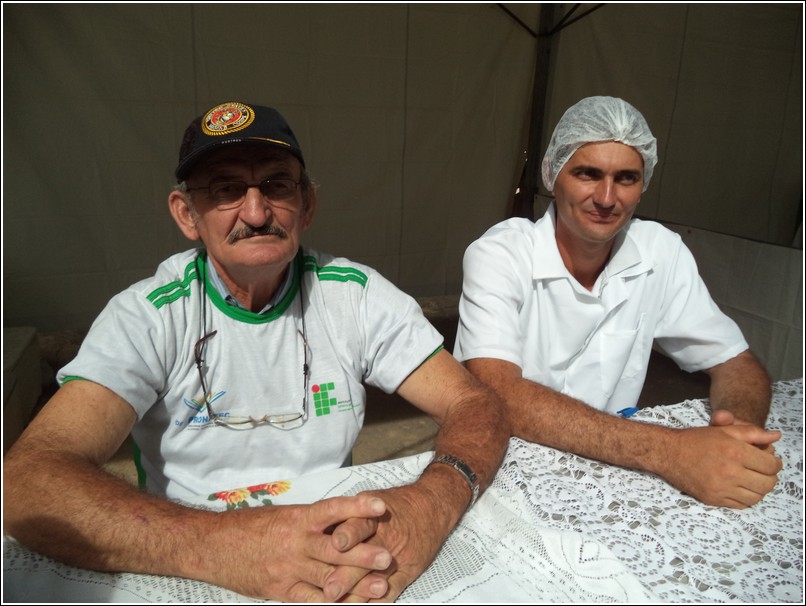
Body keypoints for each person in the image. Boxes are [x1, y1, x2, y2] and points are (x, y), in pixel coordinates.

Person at [3, 101, 509, 602]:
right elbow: (29, 481)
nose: (256, 212)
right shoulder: (148, 315)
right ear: (186, 215)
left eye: (276, 184)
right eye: (225, 189)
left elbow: (475, 403)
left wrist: (430, 503)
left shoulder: (354, 295)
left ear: (307, 204)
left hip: (335, 551)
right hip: (188, 560)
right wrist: (231, 545)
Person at [454, 95, 782, 510]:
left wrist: (736, 435)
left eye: (626, 178)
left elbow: (735, 362)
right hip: (504, 470)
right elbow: (498, 392)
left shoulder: (660, 251)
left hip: (609, 474)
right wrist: (672, 452)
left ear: (643, 186)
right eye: (588, 174)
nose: (607, 198)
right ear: (553, 175)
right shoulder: (501, 254)